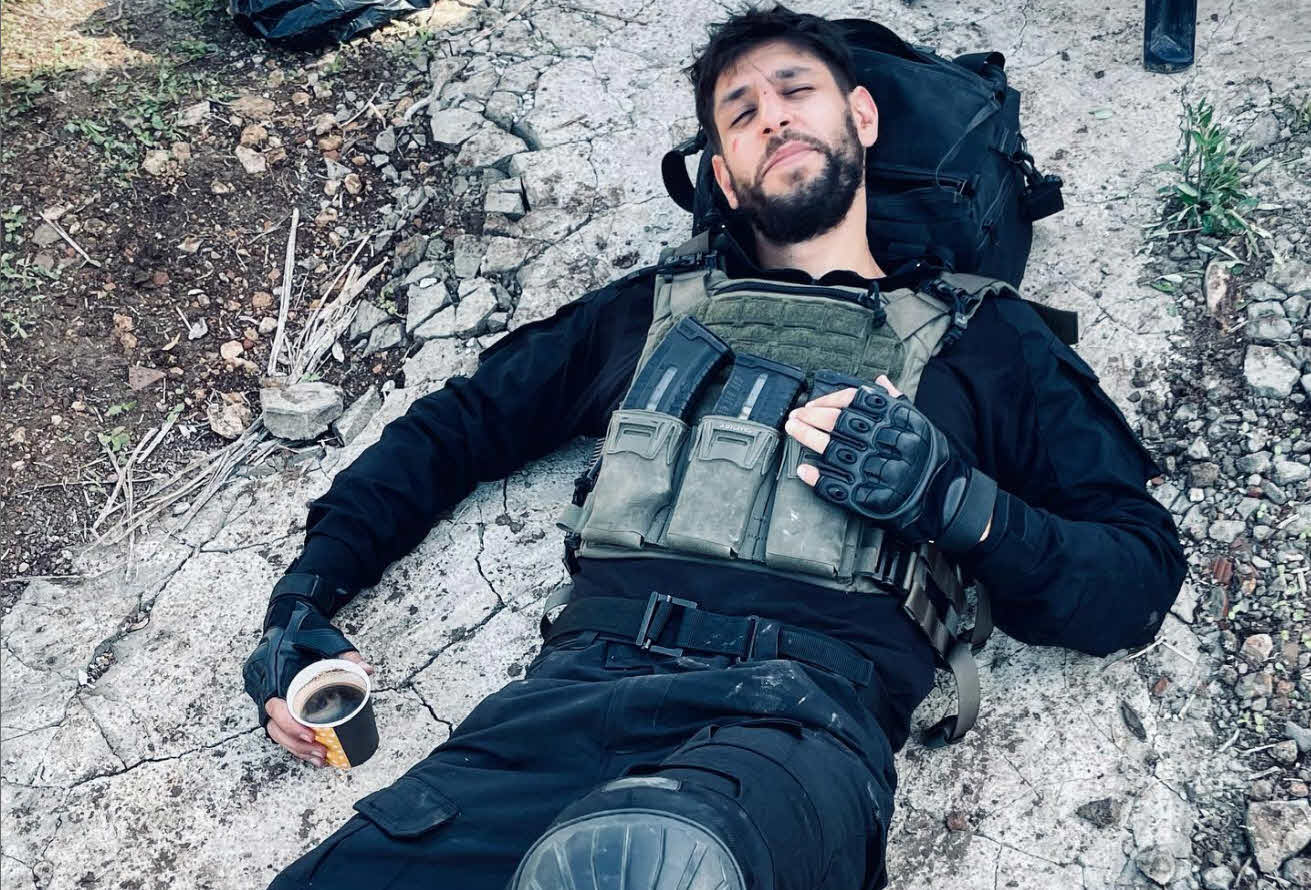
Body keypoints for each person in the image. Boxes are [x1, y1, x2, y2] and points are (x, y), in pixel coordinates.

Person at [246, 6, 1187, 889]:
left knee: (667, 860)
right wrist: (301, 603)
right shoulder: (648, 313)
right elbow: (451, 431)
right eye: (740, 113)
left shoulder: (987, 338)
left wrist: (952, 500)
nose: (772, 116)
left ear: (862, 117)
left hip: (796, 724)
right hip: (561, 706)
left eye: (795, 90)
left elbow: (1134, 583)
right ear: (724, 177)